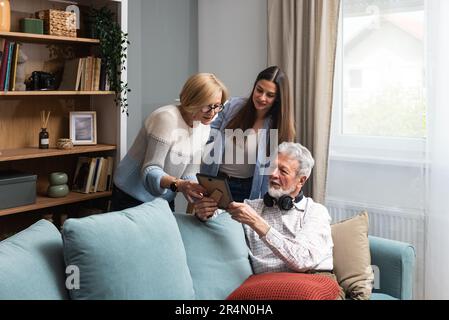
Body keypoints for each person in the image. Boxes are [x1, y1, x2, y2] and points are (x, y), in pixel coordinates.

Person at [196, 142, 335, 278]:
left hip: (310, 280)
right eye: (272, 167)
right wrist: (205, 212)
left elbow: (303, 260)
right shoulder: (250, 207)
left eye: (283, 171)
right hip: (265, 285)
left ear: (301, 181)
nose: (273, 174)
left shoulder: (315, 212)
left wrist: (257, 223)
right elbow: (220, 218)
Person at [112, 73, 229, 211]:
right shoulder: (166, 118)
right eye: (207, 106)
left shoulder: (204, 126)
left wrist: (197, 189)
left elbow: (190, 171)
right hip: (131, 195)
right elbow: (150, 170)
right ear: (192, 101)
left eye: (217, 106)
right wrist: (180, 185)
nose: (213, 112)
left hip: (164, 198)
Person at [200, 66, 296, 204]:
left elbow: (282, 168)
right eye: (259, 90)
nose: (262, 98)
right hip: (215, 181)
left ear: (278, 98)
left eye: (270, 95)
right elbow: (208, 132)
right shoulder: (233, 106)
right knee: (207, 223)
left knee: (239, 226)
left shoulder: (278, 126)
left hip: (245, 189)